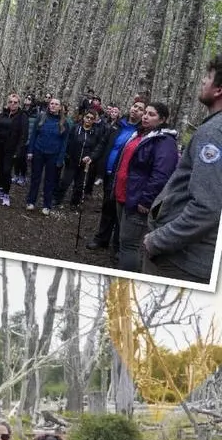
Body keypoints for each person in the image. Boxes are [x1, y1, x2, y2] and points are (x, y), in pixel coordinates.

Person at [143, 55, 222, 284]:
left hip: (182, 261)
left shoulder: (213, 134)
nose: (202, 82)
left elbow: (207, 207)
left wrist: (157, 240)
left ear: (218, 89)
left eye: (207, 77)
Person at [114, 102, 180, 272]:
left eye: (151, 114)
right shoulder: (140, 134)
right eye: (146, 113)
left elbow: (161, 175)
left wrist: (146, 200)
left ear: (162, 119)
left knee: (130, 244)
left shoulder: (165, 142)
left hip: (138, 200)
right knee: (124, 241)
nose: (145, 116)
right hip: (124, 194)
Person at [87, 98, 145, 254]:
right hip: (109, 173)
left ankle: (118, 246)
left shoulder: (142, 132)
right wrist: (92, 157)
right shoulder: (118, 125)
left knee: (121, 212)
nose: (135, 110)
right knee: (107, 206)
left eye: (140, 109)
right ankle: (101, 239)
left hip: (125, 178)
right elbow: (103, 143)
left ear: (143, 113)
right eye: (134, 106)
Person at [0, 92, 29, 208]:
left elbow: (24, 135)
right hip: (0, 146)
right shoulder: (3, 114)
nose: (12, 104)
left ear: (19, 104)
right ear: (7, 103)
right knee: (1, 169)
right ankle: (0, 190)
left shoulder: (22, 116)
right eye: (10, 102)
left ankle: (6, 194)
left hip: (12, 149)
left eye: (15, 102)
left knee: (7, 171)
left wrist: (19, 151)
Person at [26, 98, 69, 215]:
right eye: (52, 104)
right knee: (35, 178)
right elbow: (34, 134)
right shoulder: (41, 117)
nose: (54, 106)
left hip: (53, 154)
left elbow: (64, 142)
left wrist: (60, 159)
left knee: (50, 181)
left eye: (56, 104)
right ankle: (31, 201)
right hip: (38, 151)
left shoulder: (64, 122)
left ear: (60, 107)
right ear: (49, 105)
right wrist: (30, 151)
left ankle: (46, 205)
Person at [54, 110, 105, 209]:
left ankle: (74, 203)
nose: (88, 120)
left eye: (91, 118)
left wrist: (91, 157)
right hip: (72, 160)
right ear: (84, 117)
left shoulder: (95, 133)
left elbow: (97, 147)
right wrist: (67, 155)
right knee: (65, 182)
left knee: (79, 185)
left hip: (85, 163)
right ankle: (57, 200)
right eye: (87, 117)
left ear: (94, 120)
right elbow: (68, 142)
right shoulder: (75, 128)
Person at [12, 94, 38, 185]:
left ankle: (23, 176)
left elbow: (35, 128)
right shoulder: (21, 111)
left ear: (32, 101)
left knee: (23, 159)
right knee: (16, 158)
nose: (27, 99)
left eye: (29, 98)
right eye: (26, 97)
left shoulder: (35, 114)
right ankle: (16, 174)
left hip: (28, 140)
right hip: (19, 139)